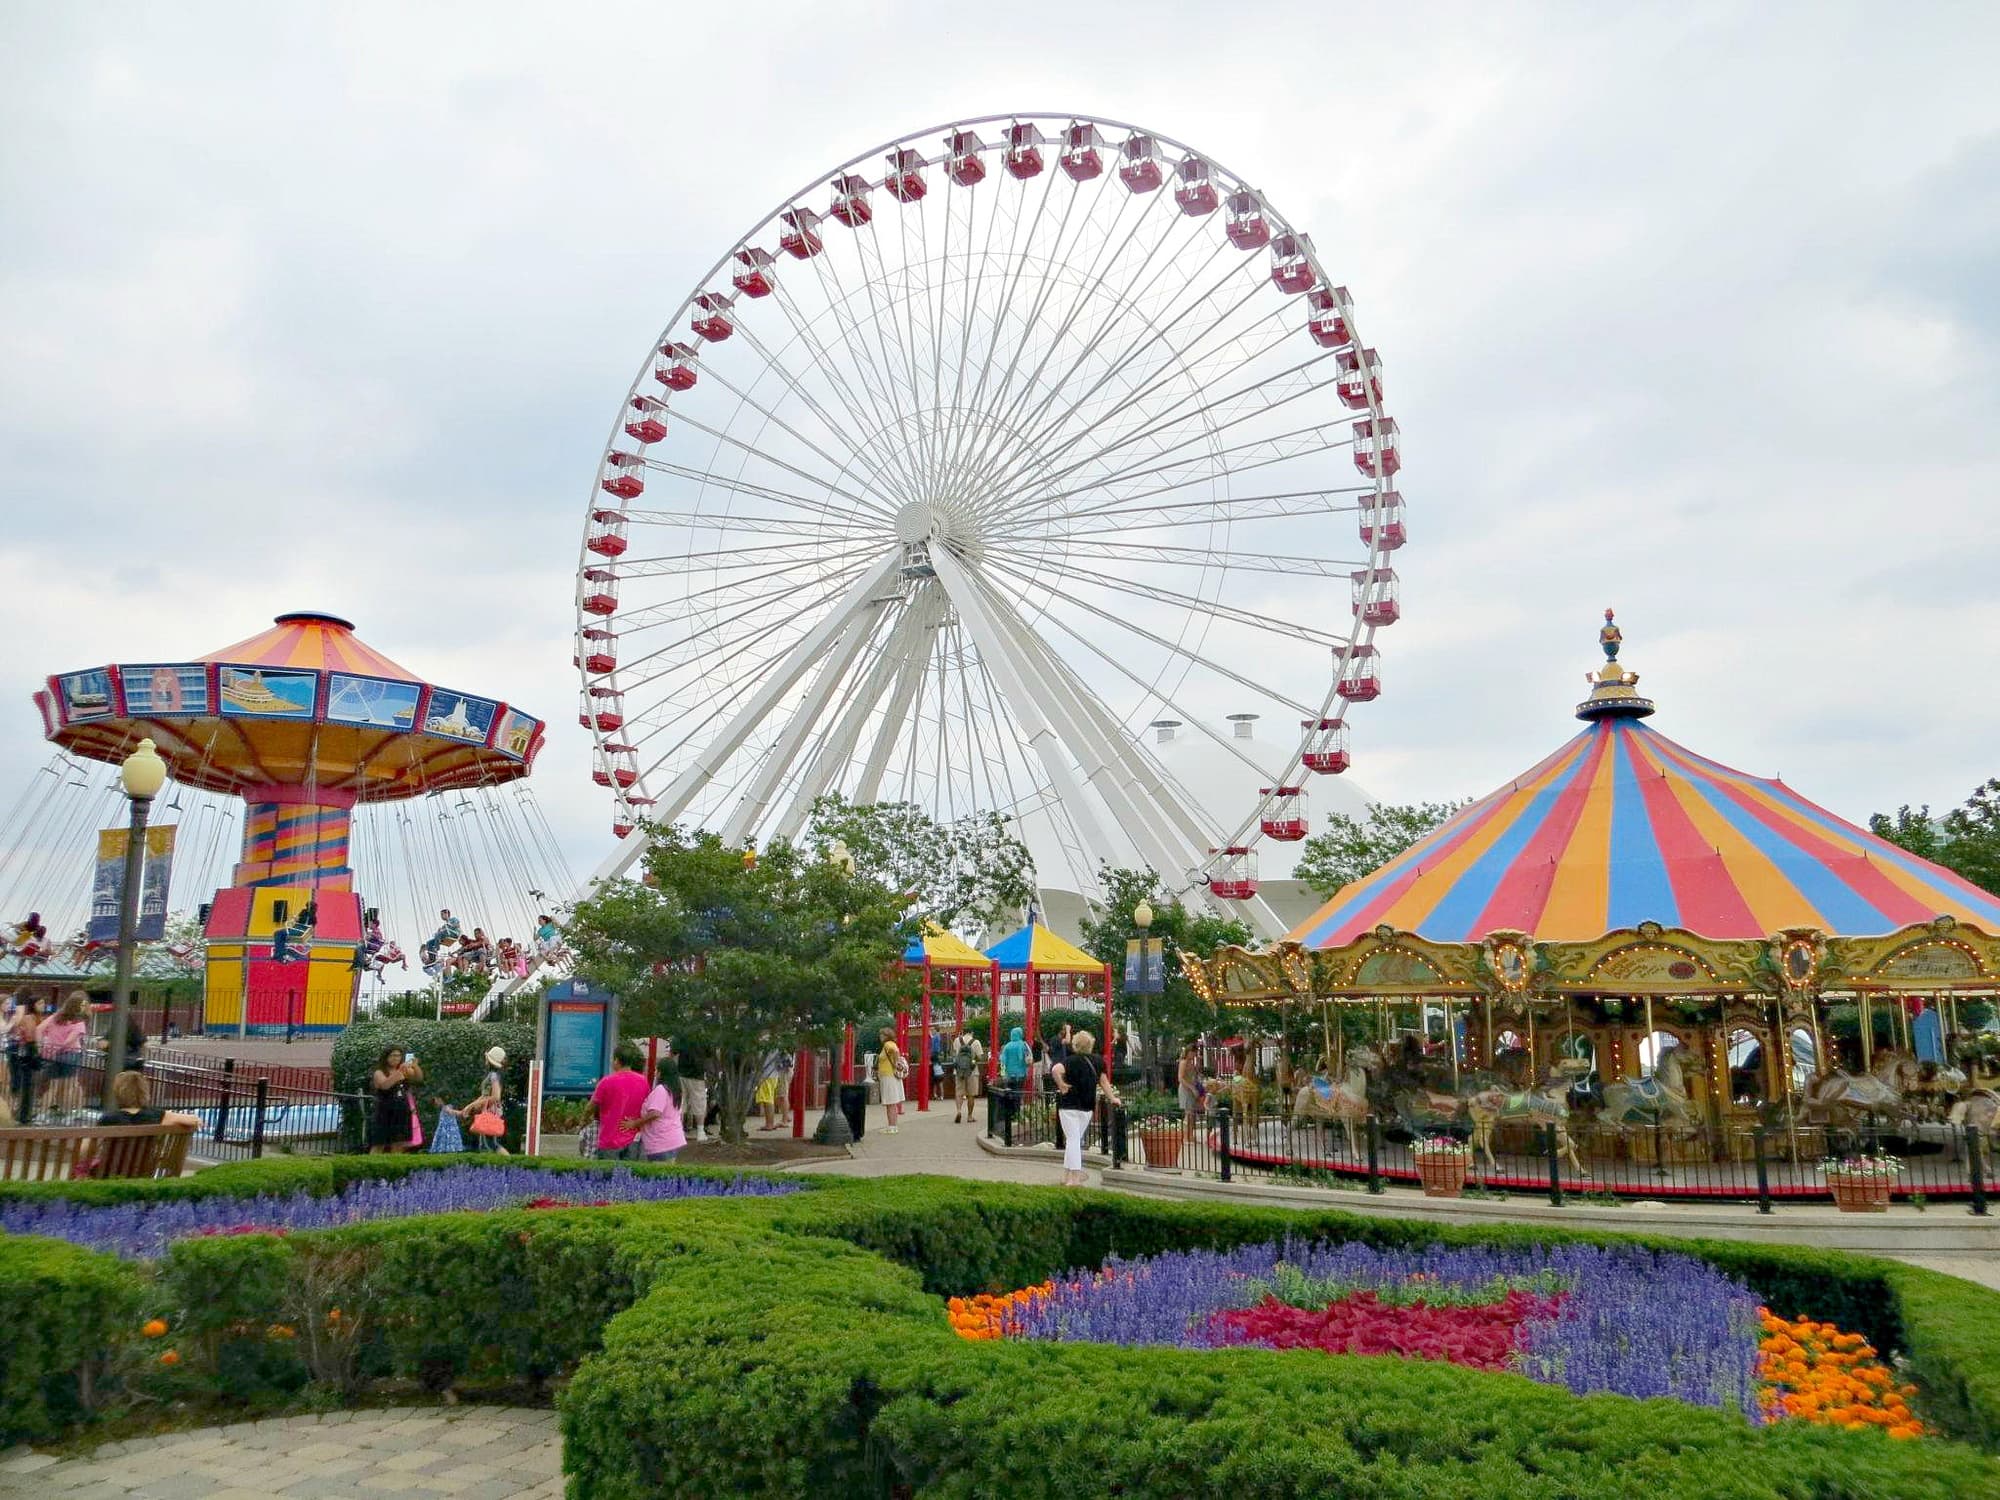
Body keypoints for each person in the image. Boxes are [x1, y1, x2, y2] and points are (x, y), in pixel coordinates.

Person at [1050, 1030, 1119, 1188]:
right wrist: (1113, 1098)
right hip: (1087, 1106)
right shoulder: (1098, 1061)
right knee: (1075, 1140)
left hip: (1068, 1105)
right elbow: (1104, 1082)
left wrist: (1062, 1085)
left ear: (1075, 1044)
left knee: (1073, 1140)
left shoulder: (1069, 1061)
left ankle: (1073, 1178)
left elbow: (1055, 1070)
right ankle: (1067, 1175)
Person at [586, 1044, 650, 1160]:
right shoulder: (643, 1081)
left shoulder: (606, 1082)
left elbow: (590, 1107)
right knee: (630, 1175)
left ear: (616, 1060)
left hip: (609, 1140)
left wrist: (583, 1121)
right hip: (633, 1139)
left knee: (607, 1176)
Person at [38, 991, 90, 1118]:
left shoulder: (55, 1017)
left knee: (52, 1087)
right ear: (77, 1007)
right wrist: (61, 1046)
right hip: (71, 1054)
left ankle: (42, 1114)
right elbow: (69, 1041)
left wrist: (41, 1047)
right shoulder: (79, 1023)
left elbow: (39, 1029)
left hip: (52, 1054)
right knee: (69, 1087)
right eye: (82, 1005)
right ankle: (67, 1116)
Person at [97, 1068, 199, 1129]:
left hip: (114, 1165)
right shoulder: (157, 1116)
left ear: (118, 1093)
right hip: (147, 1164)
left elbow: (88, 1149)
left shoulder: (108, 1119)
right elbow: (195, 1120)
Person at [367, 1046, 424, 1153]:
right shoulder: (379, 1072)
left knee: (399, 1142)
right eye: (393, 1055)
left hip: (401, 1110)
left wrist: (415, 1066)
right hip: (384, 1111)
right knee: (379, 1142)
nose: (396, 1058)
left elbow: (418, 1078)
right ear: (386, 1057)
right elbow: (385, 1085)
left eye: (398, 1056)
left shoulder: (404, 1070)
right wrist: (399, 1073)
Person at [636, 1057, 687, 1163]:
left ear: (661, 1072)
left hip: (660, 1142)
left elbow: (655, 1113)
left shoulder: (661, 1090)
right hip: (673, 1139)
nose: (655, 1073)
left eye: (656, 1070)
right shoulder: (676, 1091)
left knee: (657, 1173)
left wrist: (635, 1123)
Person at [6, 996, 39, 1116]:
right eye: (7, 1003)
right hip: (17, 1049)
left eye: (10, 1003)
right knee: (15, 1080)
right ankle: (15, 1107)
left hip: (17, 1049)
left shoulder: (18, 1017)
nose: (9, 1005)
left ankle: (17, 1107)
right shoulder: (20, 1017)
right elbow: (7, 1030)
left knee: (18, 1080)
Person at [677, 1041, 712, 1143]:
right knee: (699, 1103)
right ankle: (700, 1132)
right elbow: (710, 1054)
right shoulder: (703, 1035)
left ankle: (679, 1131)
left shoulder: (681, 1034)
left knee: (681, 1103)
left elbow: (674, 1051)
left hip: (681, 1073)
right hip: (697, 1074)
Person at [876, 1027, 907, 1133]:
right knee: (892, 1103)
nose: (880, 1037)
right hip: (891, 1076)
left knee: (890, 1102)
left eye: (881, 1035)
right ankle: (892, 1126)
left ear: (886, 1036)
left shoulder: (887, 1044)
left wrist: (895, 1063)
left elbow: (894, 1052)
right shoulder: (891, 1044)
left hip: (888, 1076)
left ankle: (892, 1127)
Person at [999, 1024, 1030, 1125]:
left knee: (1009, 1094)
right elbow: (1028, 1060)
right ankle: (1016, 1115)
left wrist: (1003, 1074)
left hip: (1008, 1075)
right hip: (1020, 1074)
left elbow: (1003, 1061)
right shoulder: (1024, 1045)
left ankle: (1008, 1115)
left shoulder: (1007, 1046)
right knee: (1018, 1094)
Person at [950, 1031, 983, 1123]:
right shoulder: (976, 1042)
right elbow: (980, 1057)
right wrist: (973, 1061)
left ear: (963, 1032)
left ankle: (959, 1111)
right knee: (971, 1094)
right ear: (972, 1032)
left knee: (959, 1093)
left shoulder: (957, 1040)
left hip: (959, 1071)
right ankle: (969, 1116)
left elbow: (954, 1054)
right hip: (972, 1071)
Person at [1178, 1043, 1205, 1119]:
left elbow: (1196, 1074)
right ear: (1188, 1052)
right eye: (1192, 1053)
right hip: (1186, 1089)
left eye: (1195, 1053)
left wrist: (1199, 1062)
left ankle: (1190, 1130)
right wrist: (1192, 1088)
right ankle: (1187, 1130)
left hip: (1192, 1088)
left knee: (1192, 1113)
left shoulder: (1191, 1063)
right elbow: (1180, 1078)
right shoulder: (1184, 1062)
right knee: (1189, 1113)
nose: (1194, 1054)